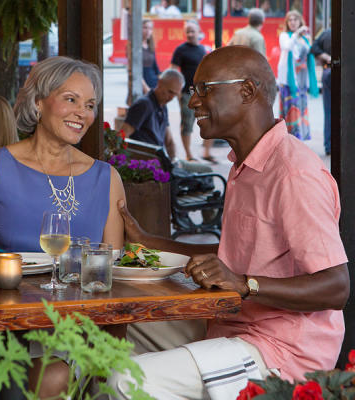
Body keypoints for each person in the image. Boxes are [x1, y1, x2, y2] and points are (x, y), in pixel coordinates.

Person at [109, 45, 349, 400]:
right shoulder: (245, 164)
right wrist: (149, 241)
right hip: (231, 325)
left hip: (279, 352)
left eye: (204, 89)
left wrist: (245, 284)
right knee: (110, 337)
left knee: (126, 380)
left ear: (247, 91)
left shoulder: (293, 172)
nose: (192, 102)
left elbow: (335, 287)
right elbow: (234, 255)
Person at [0, 56, 126, 399]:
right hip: (0, 323)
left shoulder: (106, 178)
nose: (83, 112)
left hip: (73, 327)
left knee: (52, 375)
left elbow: (112, 271)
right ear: (37, 102)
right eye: (70, 99)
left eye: (90, 104)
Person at [171, 20, 216, 163]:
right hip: (187, 93)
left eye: (192, 31)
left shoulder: (202, 49)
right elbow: (173, 71)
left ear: (199, 32)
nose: (190, 34)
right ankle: (188, 154)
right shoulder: (180, 50)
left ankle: (207, 152)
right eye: (187, 31)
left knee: (211, 120)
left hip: (203, 93)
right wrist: (177, 92)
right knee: (187, 123)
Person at [121, 68, 184, 160]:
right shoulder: (144, 105)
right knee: (204, 169)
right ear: (160, 83)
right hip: (146, 163)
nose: (171, 97)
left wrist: (174, 161)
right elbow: (122, 136)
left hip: (159, 160)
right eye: (170, 92)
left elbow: (169, 142)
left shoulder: (163, 105)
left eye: (175, 94)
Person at [277, 10, 318, 141]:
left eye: (295, 19)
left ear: (300, 21)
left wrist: (307, 39)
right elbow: (287, 47)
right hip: (289, 81)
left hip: (301, 80)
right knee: (291, 111)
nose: (293, 22)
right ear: (287, 23)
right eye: (290, 20)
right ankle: (290, 140)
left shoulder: (304, 38)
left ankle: (299, 140)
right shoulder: (285, 36)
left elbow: (308, 54)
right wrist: (296, 34)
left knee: (300, 108)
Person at [311, 28, 331, 156]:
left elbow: (314, 48)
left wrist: (325, 56)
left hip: (328, 71)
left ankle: (329, 145)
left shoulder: (326, 33)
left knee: (329, 111)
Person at [142, 19, 160, 94]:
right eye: (145, 28)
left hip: (154, 83)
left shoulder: (150, 46)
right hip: (141, 86)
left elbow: (155, 68)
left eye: (150, 28)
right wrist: (145, 87)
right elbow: (134, 72)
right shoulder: (134, 47)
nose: (148, 31)